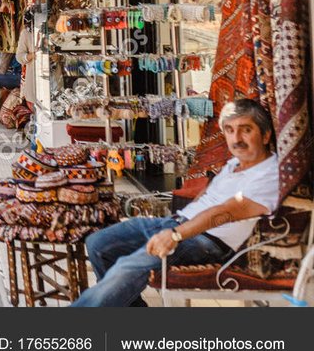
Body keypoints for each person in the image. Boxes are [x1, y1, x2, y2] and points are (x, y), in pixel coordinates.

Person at [74, 98, 281, 307]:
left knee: (127, 267)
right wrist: (176, 223)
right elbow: (208, 195)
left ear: (265, 135)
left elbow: (226, 211)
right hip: (178, 223)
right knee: (98, 244)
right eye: (229, 130)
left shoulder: (270, 173)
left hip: (207, 242)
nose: (236, 139)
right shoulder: (235, 163)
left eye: (246, 130)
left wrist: (176, 234)